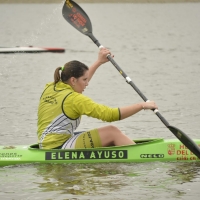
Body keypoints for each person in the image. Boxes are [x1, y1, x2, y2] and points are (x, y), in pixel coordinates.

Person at [37, 48, 158, 149]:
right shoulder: (74, 99)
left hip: (46, 143)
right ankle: (143, 156)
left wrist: (99, 61)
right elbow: (109, 115)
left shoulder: (51, 86)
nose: (87, 83)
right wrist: (142, 106)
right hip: (57, 146)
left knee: (107, 138)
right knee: (112, 132)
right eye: (85, 80)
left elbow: (80, 81)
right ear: (73, 80)